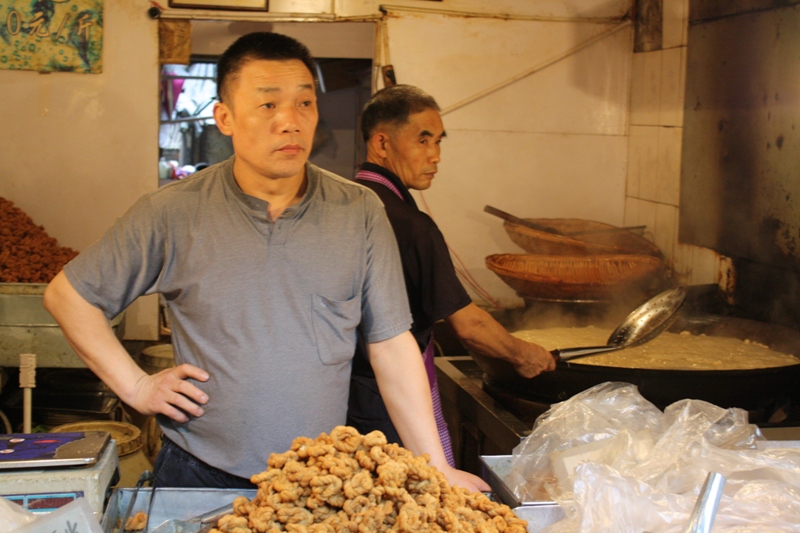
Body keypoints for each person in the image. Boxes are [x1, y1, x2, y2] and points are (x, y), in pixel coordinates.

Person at [44, 33, 488, 493]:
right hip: (199, 472)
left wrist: (436, 465)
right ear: (224, 118)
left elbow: (393, 346)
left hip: (320, 479)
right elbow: (69, 296)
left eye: (304, 104)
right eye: (268, 105)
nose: (290, 123)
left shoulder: (358, 212)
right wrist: (136, 387)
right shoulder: (173, 213)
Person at [347, 85, 557, 462]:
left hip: (340, 394)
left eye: (439, 141)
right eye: (422, 140)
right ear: (381, 144)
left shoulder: (343, 202)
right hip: (388, 400)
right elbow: (469, 326)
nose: (435, 156)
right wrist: (524, 354)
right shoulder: (412, 225)